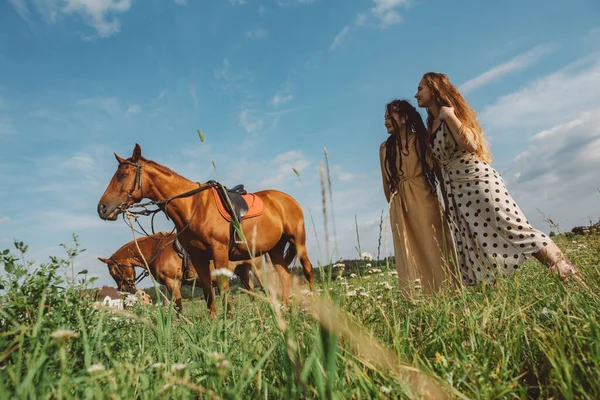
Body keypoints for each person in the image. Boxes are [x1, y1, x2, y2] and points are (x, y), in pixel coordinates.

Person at [414, 72, 585, 286]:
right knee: (475, 244)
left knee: (513, 229)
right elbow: (439, 166)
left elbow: (471, 145)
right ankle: (493, 300)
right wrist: (447, 202)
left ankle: (569, 276)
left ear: (435, 88)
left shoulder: (450, 113)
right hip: (455, 191)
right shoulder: (431, 126)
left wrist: (450, 116)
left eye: (420, 88)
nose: (416, 94)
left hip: (475, 181)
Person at [379, 99, 458, 296]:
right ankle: (417, 296)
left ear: (404, 118)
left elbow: (438, 171)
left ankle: (448, 291)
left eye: (390, 117)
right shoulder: (384, 148)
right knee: (407, 250)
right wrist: (393, 206)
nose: (386, 122)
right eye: (385, 118)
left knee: (433, 243)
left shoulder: (421, 140)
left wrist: (447, 202)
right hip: (400, 203)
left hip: (424, 196)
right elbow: (385, 182)